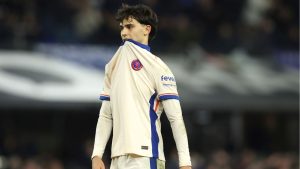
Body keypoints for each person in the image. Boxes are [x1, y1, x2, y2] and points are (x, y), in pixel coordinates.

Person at [91, 4, 192, 169]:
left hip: (146, 156)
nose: (124, 32)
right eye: (122, 27)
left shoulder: (158, 67)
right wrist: (97, 154)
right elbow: (105, 115)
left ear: (147, 29)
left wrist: (185, 162)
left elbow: (175, 118)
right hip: (117, 158)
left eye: (130, 26)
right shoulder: (112, 66)